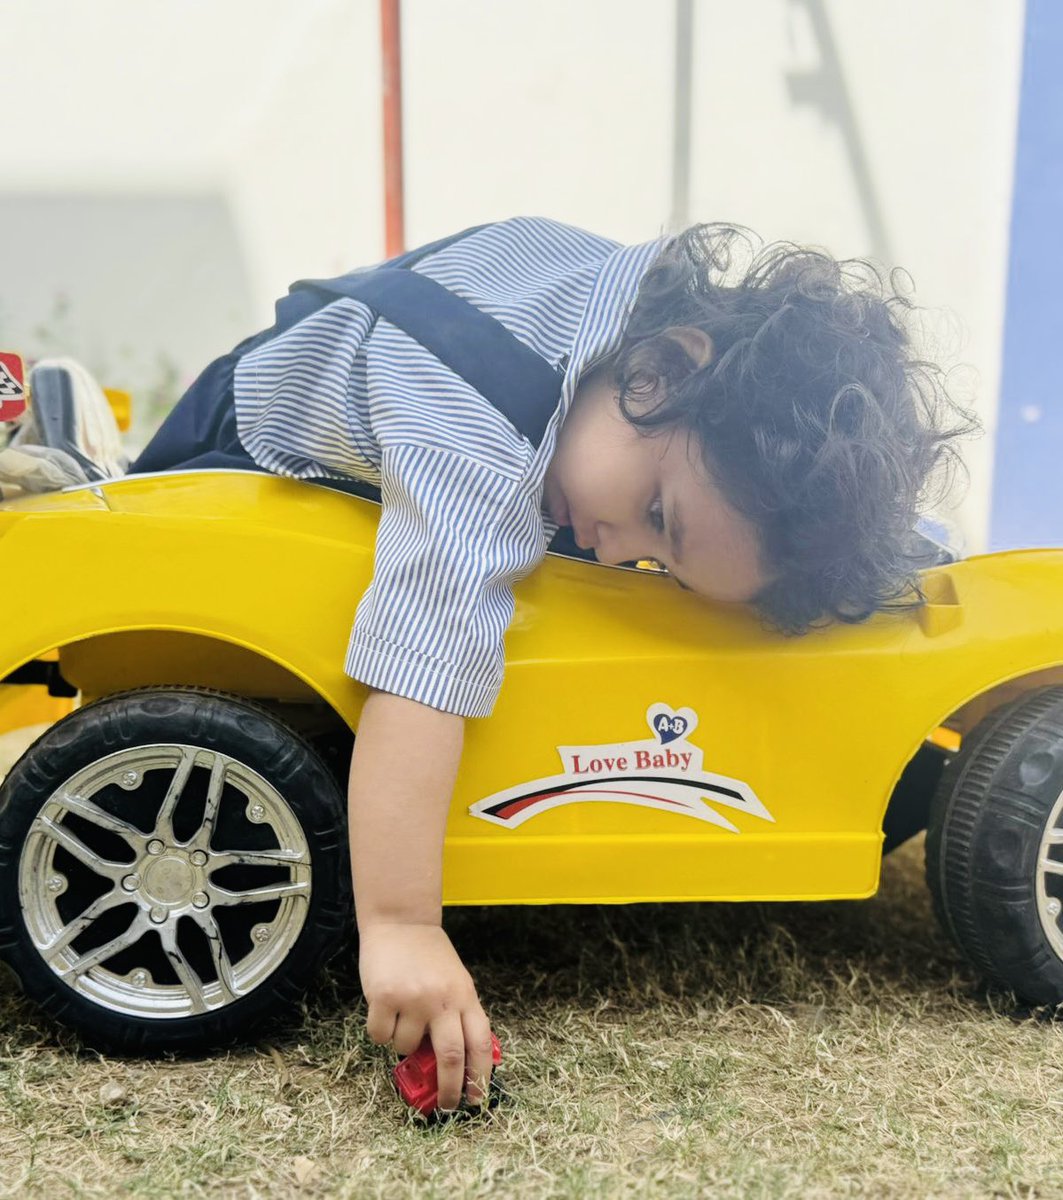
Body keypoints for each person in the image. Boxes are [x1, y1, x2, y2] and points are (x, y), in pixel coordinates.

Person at [131, 215, 973, 1111]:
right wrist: (401, 925)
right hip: (250, 442)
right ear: (662, 369)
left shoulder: (631, 313)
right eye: (656, 512)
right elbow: (423, 666)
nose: (619, 556)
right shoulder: (471, 438)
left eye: (659, 562)